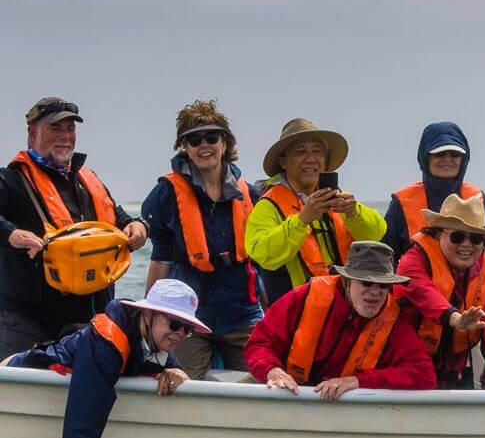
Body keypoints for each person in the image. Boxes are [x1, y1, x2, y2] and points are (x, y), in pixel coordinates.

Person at [0, 280, 205, 438]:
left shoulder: (151, 337)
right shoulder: (106, 342)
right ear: (148, 315)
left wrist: (177, 371)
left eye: (187, 329)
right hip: (18, 376)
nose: (180, 334)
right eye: (174, 323)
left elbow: (163, 361)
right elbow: (86, 410)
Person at [0, 97, 148, 358]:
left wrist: (137, 227)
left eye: (70, 129)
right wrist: (11, 233)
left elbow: (121, 219)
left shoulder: (87, 180)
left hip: (88, 318)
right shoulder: (11, 180)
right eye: (56, 128)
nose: (65, 136)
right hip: (27, 323)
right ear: (33, 133)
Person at [140, 100, 262, 379]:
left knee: (264, 380)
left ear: (225, 142)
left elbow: (264, 259)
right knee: (177, 384)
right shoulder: (165, 194)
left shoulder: (252, 195)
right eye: (194, 139)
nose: (203, 145)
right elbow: (160, 256)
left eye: (211, 136)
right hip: (186, 318)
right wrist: (148, 315)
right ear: (185, 147)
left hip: (242, 314)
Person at [244, 241, 435, 398]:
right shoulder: (304, 297)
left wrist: (358, 381)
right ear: (346, 281)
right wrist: (272, 371)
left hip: (346, 410)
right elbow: (259, 343)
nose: (375, 293)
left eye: (384, 285)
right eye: (367, 282)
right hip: (289, 394)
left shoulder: (394, 321)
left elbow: (424, 375)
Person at [395, 193, 485, 401]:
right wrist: (457, 319)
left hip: (455, 370)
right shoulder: (412, 261)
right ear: (438, 234)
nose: (467, 244)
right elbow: (425, 295)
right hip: (405, 370)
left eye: (476, 238)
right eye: (457, 236)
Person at [246, 118, 385, 307]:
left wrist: (355, 212)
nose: (311, 158)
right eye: (301, 151)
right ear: (284, 162)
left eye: (317, 151)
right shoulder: (268, 205)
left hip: (344, 308)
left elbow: (377, 233)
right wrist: (302, 220)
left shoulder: (340, 199)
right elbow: (262, 254)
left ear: (326, 161)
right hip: (296, 315)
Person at [382, 122, 485, 269]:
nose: (447, 159)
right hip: (415, 289)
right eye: (439, 153)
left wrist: (483, 283)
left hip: (472, 290)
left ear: (464, 159)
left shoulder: (480, 200)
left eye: (455, 154)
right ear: (425, 157)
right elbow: (383, 255)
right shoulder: (401, 203)